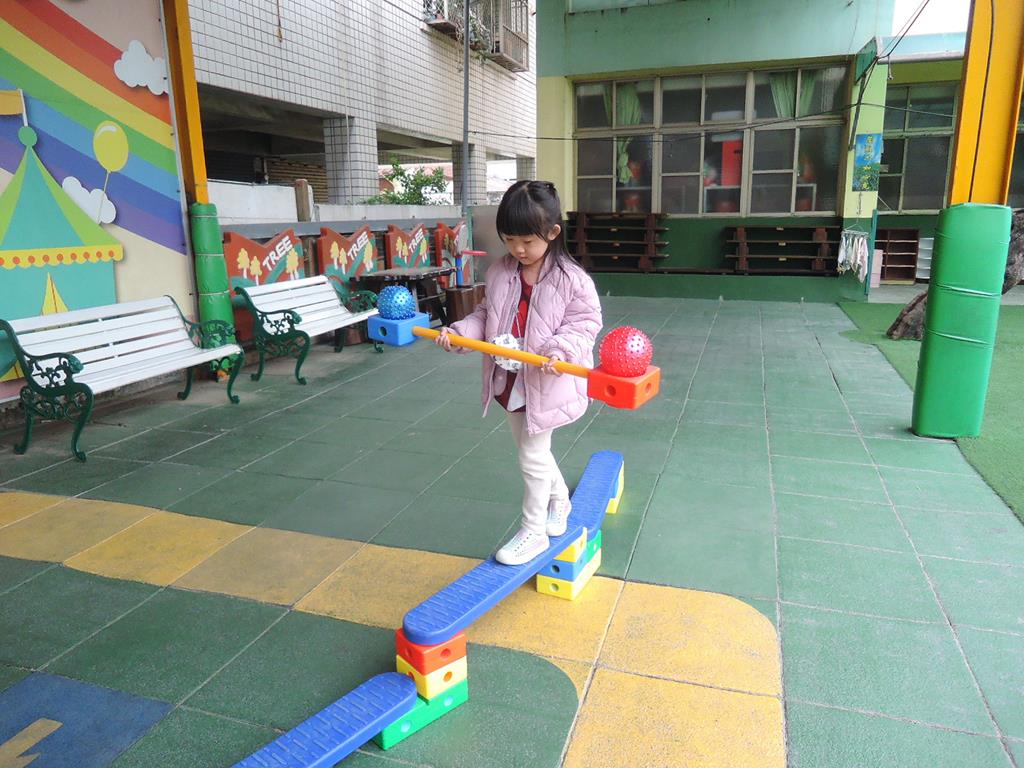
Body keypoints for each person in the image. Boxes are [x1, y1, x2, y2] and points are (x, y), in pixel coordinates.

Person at [436, 180, 602, 565]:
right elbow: (485, 315)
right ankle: (559, 500)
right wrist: (461, 333)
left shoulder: (572, 280)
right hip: (509, 380)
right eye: (509, 240)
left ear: (552, 232)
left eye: (527, 241)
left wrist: (560, 348)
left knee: (532, 455)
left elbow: (585, 324)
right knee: (532, 452)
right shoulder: (500, 272)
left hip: (546, 381)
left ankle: (533, 532)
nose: (517, 249)